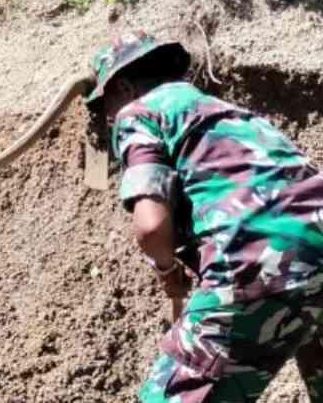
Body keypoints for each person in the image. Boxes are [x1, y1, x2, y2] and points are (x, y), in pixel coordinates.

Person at [85, 31, 323, 403]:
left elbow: (150, 225)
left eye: (108, 105)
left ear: (125, 86)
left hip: (259, 263)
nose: (110, 117)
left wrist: (166, 269)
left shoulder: (139, 112)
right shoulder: (229, 114)